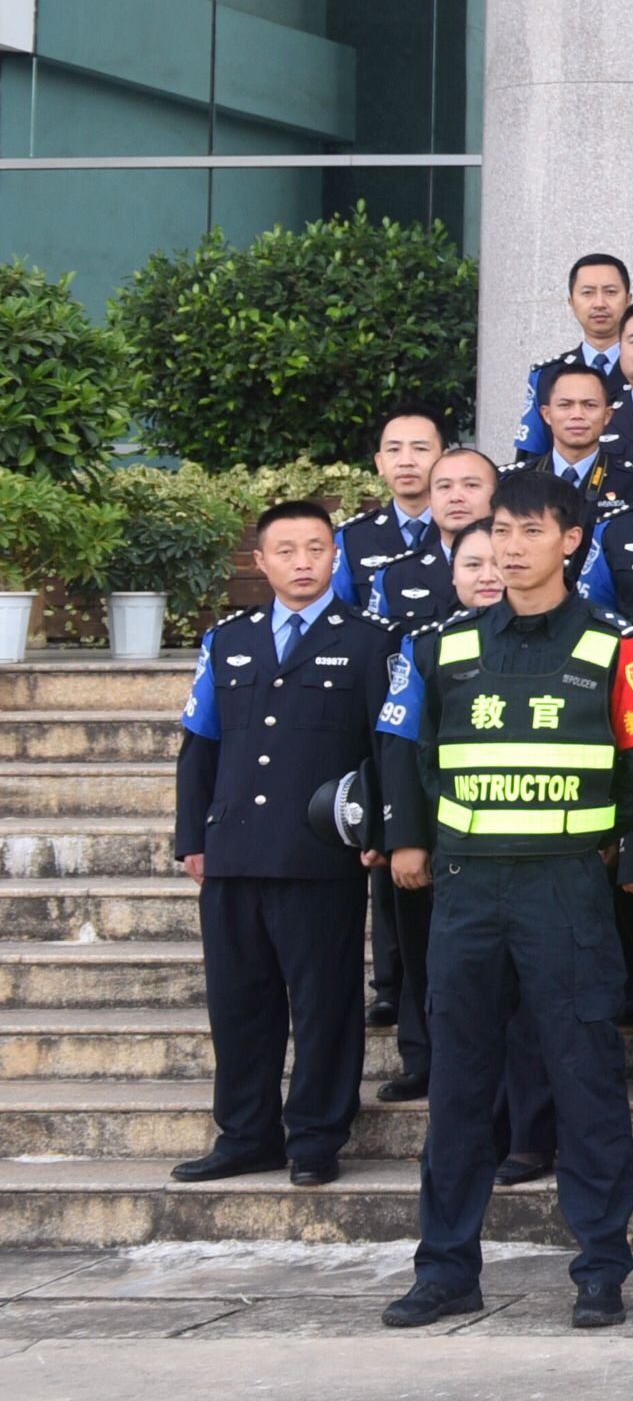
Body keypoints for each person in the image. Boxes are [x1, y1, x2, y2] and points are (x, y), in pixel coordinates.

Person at [369, 470, 633, 1331]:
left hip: (565, 890)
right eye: (500, 530)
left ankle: (601, 1268)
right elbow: (402, 746)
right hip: (468, 891)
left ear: (570, 542)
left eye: (531, 531)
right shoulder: (443, 643)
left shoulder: (615, 645)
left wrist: (603, 843)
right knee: (460, 1085)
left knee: (585, 1081)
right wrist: (413, 837)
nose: (510, 547)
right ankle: (445, 1269)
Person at [171, 502, 395, 1188]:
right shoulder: (227, 640)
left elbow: (387, 748)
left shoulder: (369, 641)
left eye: (316, 549)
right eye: (287, 550)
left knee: (325, 1005)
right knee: (239, 1005)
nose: (303, 562)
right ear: (260, 562)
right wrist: (192, 837)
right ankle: (246, 1136)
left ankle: (316, 1138)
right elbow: (200, 743)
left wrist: (382, 832)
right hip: (234, 852)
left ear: (335, 557)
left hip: (319, 855)